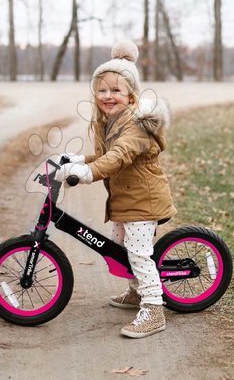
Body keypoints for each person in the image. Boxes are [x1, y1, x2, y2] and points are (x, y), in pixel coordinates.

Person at [54, 40, 176, 339]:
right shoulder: (111, 121)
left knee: (137, 253)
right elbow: (106, 154)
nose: (108, 96)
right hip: (126, 199)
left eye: (116, 91)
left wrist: (88, 173)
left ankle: (154, 309)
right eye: (103, 90)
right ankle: (136, 292)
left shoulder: (134, 125)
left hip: (143, 200)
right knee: (121, 249)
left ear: (131, 96)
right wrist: (79, 160)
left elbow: (119, 156)